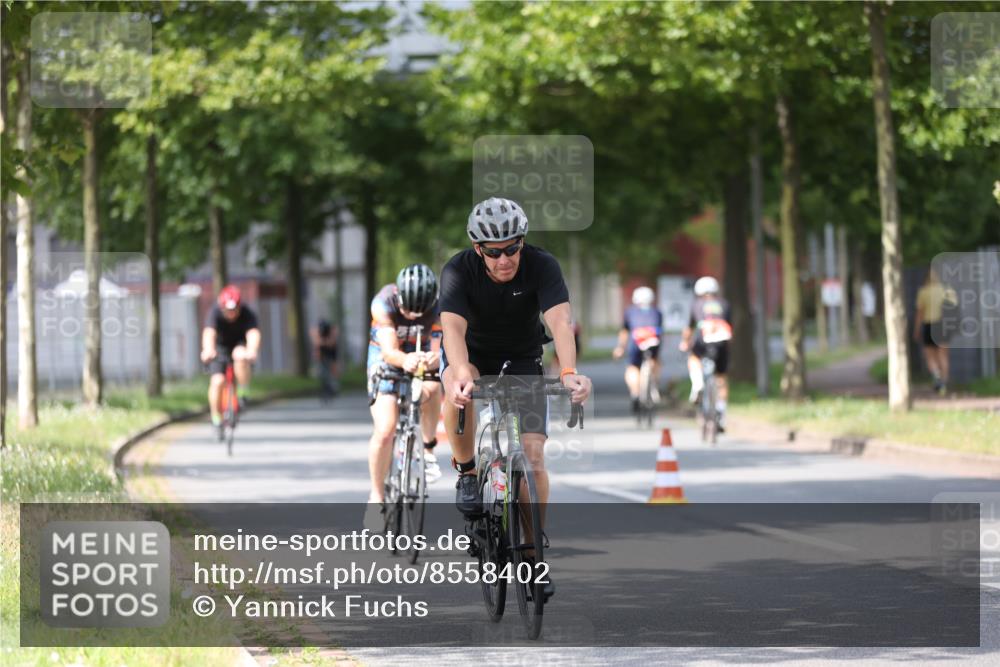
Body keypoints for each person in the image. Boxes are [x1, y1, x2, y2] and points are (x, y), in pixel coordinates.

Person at [440, 196, 592, 600]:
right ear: (479, 250)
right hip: (471, 355)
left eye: (512, 248)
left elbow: (559, 322)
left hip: (522, 357)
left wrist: (569, 372)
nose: (504, 258)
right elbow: (452, 331)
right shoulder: (458, 270)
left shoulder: (543, 265)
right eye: (494, 252)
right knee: (458, 389)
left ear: (522, 242)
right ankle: (468, 473)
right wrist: (458, 374)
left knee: (532, 453)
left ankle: (532, 551)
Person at [364, 264, 444, 529]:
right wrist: (405, 360)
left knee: (433, 389)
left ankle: (428, 449)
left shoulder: (440, 307)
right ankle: (376, 496)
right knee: (386, 429)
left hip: (419, 353)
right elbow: (389, 351)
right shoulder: (382, 303)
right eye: (408, 310)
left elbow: (438, 349)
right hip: (387, 356)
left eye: (420, 311)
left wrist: (433, 359)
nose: (413, 315)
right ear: (399, 298)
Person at [200, 285, 261, 440]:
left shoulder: (247, 313)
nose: (232, 314)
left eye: (235, 310)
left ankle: (243, 394)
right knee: (217, 381)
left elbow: (253, 333)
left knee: (240, 356)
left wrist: (252, 350)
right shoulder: (214, 312)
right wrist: (208, 350)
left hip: (239, 345)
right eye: (228, 310)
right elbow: (209, 333)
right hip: (219, 348)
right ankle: (216, 419)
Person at [679, 276, 732, 432]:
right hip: (721, 342)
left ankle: (697, 384)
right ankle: (721, 412)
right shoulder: (725, 304)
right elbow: (729, 326)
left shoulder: (696, 304)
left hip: (703, 340)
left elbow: (689, 329)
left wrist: (685, 342)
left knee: (694, 358)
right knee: (721, 378)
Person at [613, 286, 663, 414]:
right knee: (655, 361)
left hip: (637, 342)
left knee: (632, 367)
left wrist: (620, 348)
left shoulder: (630, 312)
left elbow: (625, 332)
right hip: (653, 341)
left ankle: (635, 393)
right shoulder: (657, 312)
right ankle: (654, 386)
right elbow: (661, 333)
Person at [914, 268, 957, 395]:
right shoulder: (947, 290)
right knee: (943, 356)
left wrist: (916, 330)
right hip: (943, 326)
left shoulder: (923, 292)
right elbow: (953, 310)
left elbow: (920, 313)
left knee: (930, 356)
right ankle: (944, 383)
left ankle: (937, 376)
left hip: (929, 325)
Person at [311, 318, 340, 400]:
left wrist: (325, 341)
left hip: (331, 351)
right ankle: (324, 386)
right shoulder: (316, 331)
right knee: (321, 368)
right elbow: (316, 343)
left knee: (333, 369)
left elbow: (331, 343)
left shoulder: (331, 330)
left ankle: (334, 386)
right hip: (322, 350)